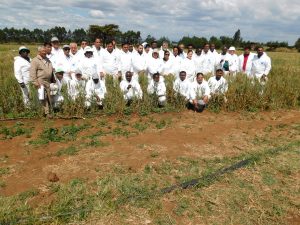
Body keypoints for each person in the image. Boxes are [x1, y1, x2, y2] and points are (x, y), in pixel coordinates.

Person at [30, 46, 54, 117]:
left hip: (48, 81)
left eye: (45, 51)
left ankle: (48, 111)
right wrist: (35, 82)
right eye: (43, 51)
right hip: (40, 81)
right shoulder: (35, 60)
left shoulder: (48, 60)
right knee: (43, 97)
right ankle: (47, 113)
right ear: (39, 52)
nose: (44, 52)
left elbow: (51, 70)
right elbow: (32, 72)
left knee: (49, 96)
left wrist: (53, 78)